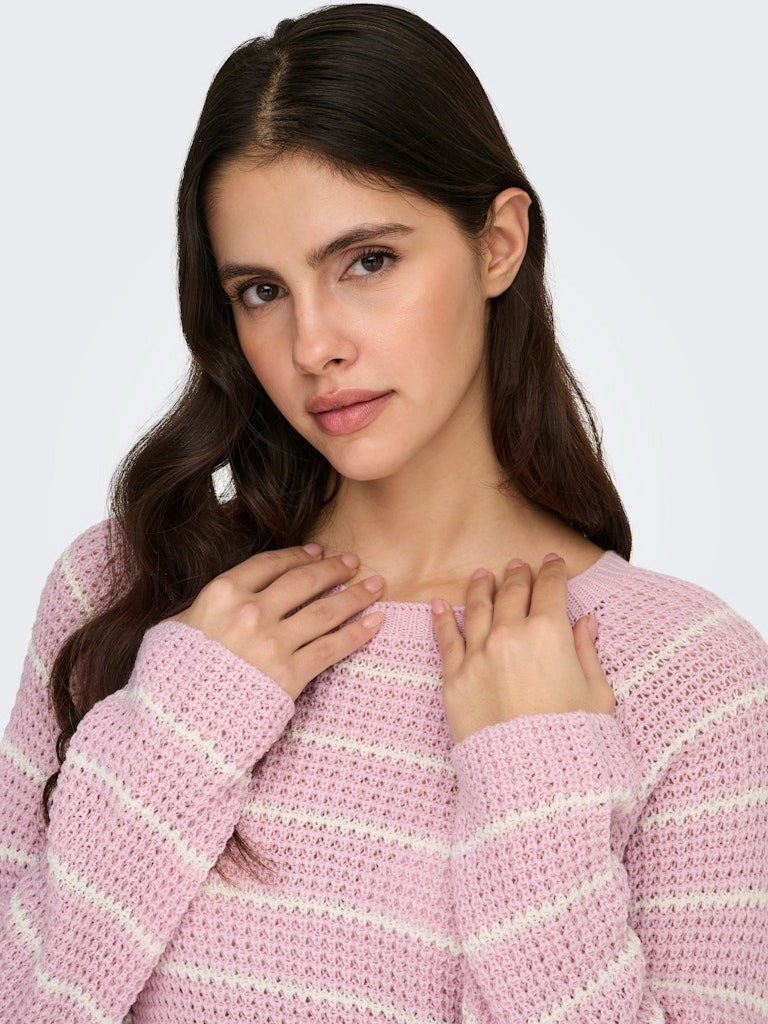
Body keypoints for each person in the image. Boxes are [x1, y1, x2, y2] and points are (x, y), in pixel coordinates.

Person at [1, 3, 766, 1021]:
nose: (313, 344)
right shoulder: (127, 589)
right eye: (262, 289)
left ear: (498, 244)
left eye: (366, 261)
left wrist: (537, 789)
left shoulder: (692, 677)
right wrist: (176, 730)